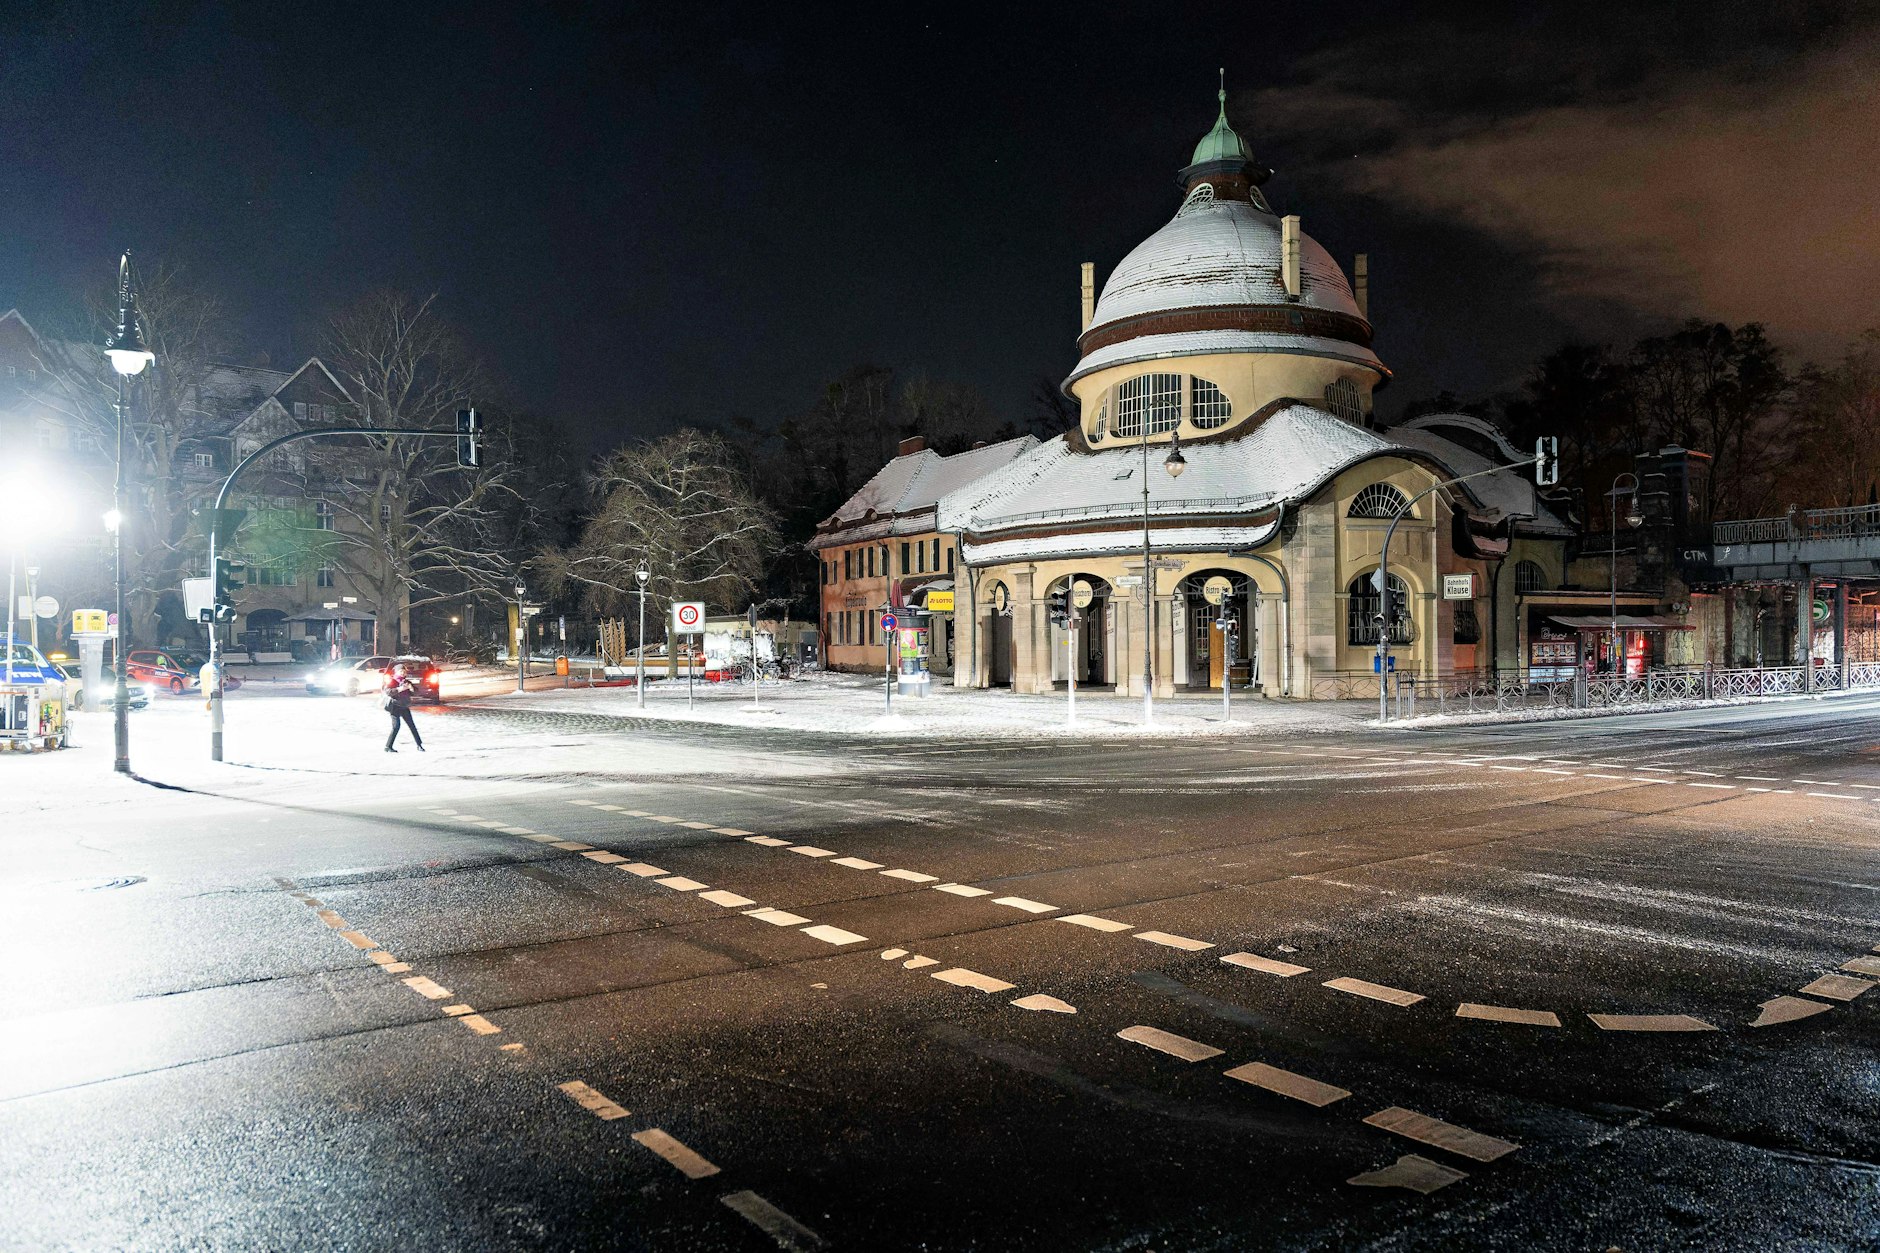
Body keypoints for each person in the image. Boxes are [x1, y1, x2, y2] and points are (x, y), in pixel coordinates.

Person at [383, 663, 424, 753]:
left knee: (412, 726)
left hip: (404, 706)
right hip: (394, 707)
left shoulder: (406, 681)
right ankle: (388, 746)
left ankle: (419, 745)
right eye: (401, 671)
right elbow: (388, 692)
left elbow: (416, 692)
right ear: (396, 672)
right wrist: (399, 689)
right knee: (396, 726)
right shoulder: (392, 681)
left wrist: (411, 688)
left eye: (404, 672)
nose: (402, 673)